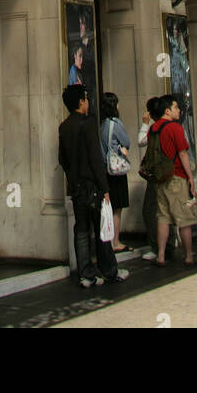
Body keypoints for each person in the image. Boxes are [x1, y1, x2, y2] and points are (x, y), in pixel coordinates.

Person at [58, 84, 128, 288]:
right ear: (81, 102)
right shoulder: (88, 123)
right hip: (92, 185)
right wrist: (104, 187)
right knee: (102, 229)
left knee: (81, 228)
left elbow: (62, 158)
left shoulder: (64, 126)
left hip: (76, 186)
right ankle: (109, 271)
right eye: (86, 98)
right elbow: (96, 158)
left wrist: (72, 175)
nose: (88, 102)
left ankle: (86, 273)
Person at [144, 94, 197, 267]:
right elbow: (182, 153)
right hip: (176, 176)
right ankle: (188, 255)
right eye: (176, 107)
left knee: (163, 216)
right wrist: (190, 177)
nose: (179, 110)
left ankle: (160, 255)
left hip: (160, 178)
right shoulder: (175, 128)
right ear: (168, 110)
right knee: (184, 218)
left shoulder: (153, 128)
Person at [99, 91, 131, 252]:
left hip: (104, 170)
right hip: (116, 170)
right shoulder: (115, 123)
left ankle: (107, 240)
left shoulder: (102, 124)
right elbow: (126, 142)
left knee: (108, 207)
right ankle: (115, 241)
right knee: (117, 208)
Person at [138, 97, 163, 260]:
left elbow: (141, 141)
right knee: (164, 210)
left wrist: (145, 123)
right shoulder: (172, 126)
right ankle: (167, 244)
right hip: (169, 173)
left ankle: (157, 247)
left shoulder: (155, 128)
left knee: (150, 210)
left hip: (157, 174)